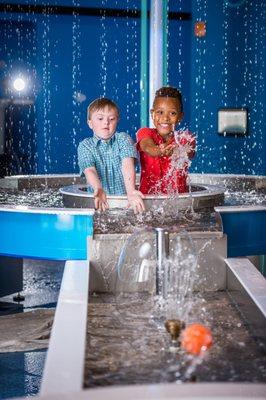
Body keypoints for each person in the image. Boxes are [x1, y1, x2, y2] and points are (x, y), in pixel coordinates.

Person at [78, 97, 145, 213]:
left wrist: (131, 192)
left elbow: (127, 165)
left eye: (112, 119)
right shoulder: (85, 146)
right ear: (90, 123)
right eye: (100, 118)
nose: (106, 122)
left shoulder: (123, 139)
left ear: (117, 120)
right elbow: (90, 170)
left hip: (125, 202)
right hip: (99, 202)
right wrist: (98, 188)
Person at [136, 86, 196, 195]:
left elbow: (188, 151)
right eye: (160, 112)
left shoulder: (185, 137)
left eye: (172, 113)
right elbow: (147, 147)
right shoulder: (145, 132)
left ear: (180, 116)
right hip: (147, 201)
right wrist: (159, 150)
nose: (165, 118)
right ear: (152, 114)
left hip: (178, 202)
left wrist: (177, 151)